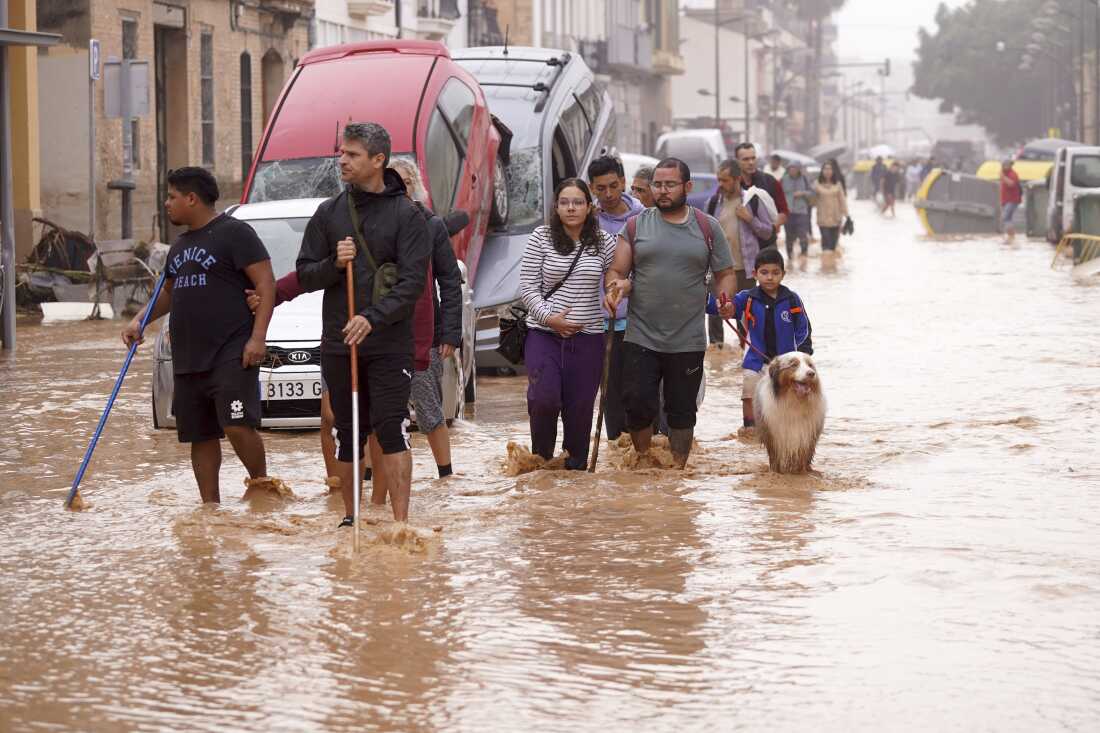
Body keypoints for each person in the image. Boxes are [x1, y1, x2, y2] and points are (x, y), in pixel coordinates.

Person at [296, 121, 430, 527]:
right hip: (340, 342)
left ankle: (401, 524)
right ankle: (350, 519)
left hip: (389, 343)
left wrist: (371, 318)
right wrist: (334, 264)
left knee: (391, 426)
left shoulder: (408, 215)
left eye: (352, 155)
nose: (342, 161)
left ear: (378, 160)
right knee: (346, 429)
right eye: (341, 153)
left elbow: (411, 286)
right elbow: (304, 274)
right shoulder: (328, 213)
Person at [122, 167, 276, 503]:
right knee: (200, 434)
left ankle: (263, 487)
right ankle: (210, 508)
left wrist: (258, 338)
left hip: (231, 350)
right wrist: (139, 321)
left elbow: (266, 283)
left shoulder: (235, 233)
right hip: (189, 355)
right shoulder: (180, 246)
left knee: (236, 423)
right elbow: (167, 292)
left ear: (191, 198)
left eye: (172, 196)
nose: (166, 203)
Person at [604, 158, 737, 468]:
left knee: (681, 411)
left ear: (687, 187)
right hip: (641, 335)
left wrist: (725, 299)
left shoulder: (707, 227)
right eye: (657, 185)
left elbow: (725, 273)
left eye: (670, 184)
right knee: (637, 405)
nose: (662, 191)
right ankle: (644, 462)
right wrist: (615, 288)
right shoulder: (636, 225)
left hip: (687, 338)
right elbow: (617, 270)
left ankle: (677, 472)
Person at [520, 178, 617, 470]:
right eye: (564, 202)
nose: (571, 208)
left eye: (577, 202)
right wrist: (550, 318)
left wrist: (612, 293)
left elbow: (616, 275)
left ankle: (574, 474)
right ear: (556, 207)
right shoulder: (541, 237)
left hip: (588, 339)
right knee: (544, 399)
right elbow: (527, 288)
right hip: (543, 334)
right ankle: (541, 463)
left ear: (589, 207)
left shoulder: (604, 242)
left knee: (580, 411)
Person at [388, 157, 464, 477]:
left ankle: (445, 475)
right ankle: (370, 478)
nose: (399, 189)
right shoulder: (377, 223)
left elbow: (449, 280)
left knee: (429, 407)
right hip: (384, 334)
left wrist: (449, 333)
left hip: (425, 334)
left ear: (415, 186)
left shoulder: (431, 225)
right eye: (393, 182)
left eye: (405, 182)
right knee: (382, 413)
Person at [588, 155, 645, 442]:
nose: (608, 194)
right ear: (592, 188)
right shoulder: (587, 222)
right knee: (609, 394)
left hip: (640, 321)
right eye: (600, 188)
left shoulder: (644, 218)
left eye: (613, 186)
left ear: (623, 182)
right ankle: (617, 452)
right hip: (600, 323)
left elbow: (651, 269)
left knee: (639, 392)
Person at [731, 247, 812, 430]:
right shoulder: (747, 298)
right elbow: (728, 308)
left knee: (790, 398)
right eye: (764, 272)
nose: (770, 277)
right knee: (749, 395)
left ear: (783, 274)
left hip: (786, 364)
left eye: (775, 273)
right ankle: (750, 430)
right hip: (755, 361)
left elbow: (804, 329)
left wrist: (803, 357)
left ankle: (790, 430)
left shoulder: (792, 300)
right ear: (755, 274)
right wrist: (717, 304)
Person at [705, 158, 773, 347]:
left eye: (724, 180)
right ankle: (717, 354)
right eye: (718, 180)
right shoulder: (712, 203)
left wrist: (750, 219)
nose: (720, 184)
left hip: (745, 268)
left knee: (744, 315)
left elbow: (767, 231)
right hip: (718, 268)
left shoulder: (752, 200)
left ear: (736, 179)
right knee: (715, 314)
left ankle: (745, 355)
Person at [734, 142, 788, 248]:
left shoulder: (770, 181)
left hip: (767, 244)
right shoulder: (732, 185)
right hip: (741, 245)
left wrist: (773, 227)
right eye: (745, 159)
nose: (751, 162)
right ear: (737, 162)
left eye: (753, 158)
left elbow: (783, 211)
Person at [814, 159, 849, 266]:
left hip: (836, 219)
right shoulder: (816, 184)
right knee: (826, 246)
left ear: (833, 171)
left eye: (830, 169)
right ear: (822, 171)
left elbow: (842, 201)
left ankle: (832, 269)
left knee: (833, 246)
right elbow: (812, 201)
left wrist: (847, 216)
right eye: (825, 169)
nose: (828, 171)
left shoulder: (838, 185)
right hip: (823, 219)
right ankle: (825, 269)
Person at [780, 161, 813, 259]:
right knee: (789, 236)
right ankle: (790, 258)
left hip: (801, 212)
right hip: (788, 212)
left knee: (803, 234)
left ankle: (804, 256)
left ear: (799, 169)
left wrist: (802, 193)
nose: (792, 170)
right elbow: (778, 194)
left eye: (794, 168)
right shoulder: (783, 180)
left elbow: (812, 192)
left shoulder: (804, 179)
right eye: (790, 168)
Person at [1000, 159, 1022, 243]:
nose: (1003, 167)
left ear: (1009, 166)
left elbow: (1012, 184)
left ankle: (1011, 236)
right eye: (1003, 165)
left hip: (1012, 200)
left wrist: (1003, 178)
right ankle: (1011, 237)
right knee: (1007, 218)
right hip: (1006, 201)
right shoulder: (1004, 173)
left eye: (1005, 165)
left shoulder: (1013, 174)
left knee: (1006, 218)